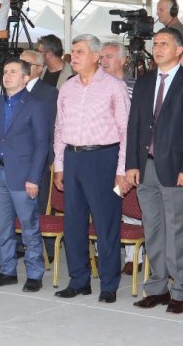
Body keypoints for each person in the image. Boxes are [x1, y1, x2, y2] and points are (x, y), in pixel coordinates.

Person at [126, 28, 183, 315]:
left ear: (178, 50)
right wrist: (131, 164)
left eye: (163, 44)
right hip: (145, 166)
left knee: (177, 232)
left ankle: (180, 289)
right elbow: (134, 124)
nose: (157, 48)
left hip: (176, 170)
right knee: (153, 230)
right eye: (155, 44)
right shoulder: (145, 82)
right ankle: (157, 287)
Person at [53, 34, 130, 304]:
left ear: (96, 57)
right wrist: (60, 165)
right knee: (73, 223)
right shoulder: (68, 87)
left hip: (103, 159)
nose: (74, 56)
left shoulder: (113, 87)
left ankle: (108, 284)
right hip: (73, 158)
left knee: (106, 224)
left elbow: (125, 130)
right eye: (72, 51)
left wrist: (121, 169)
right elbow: (59, 128)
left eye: (80, 52)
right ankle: (79, 280)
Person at [0, 58, 50, 291]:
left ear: (25, 77)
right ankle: (7, 271)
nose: (7, 75)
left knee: (29, 227)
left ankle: (34, 273)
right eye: (5, 71)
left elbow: (42, 144)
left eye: (13, 72)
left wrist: (33, 177)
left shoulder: (36, 105)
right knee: (4, 226)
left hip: (22, 176)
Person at [100, 41, 142, 274]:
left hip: (127, 154)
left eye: (109, 56)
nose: (103, 61)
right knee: (102, 204)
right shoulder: (96, 85)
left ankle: (132, 256)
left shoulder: (135, 87)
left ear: (123, 60)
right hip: (102, 154)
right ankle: (101, 252)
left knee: (128, 204)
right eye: (102, 57)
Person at [20, 49, 58, 260]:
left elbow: (51, 128)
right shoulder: (11, 89)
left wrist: (52, 160)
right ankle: (21, 244)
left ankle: (47, 249)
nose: (21, 68)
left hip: (39, 158)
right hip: (16, 157)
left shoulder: (48, 92)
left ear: (39, 69)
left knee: (40, 205)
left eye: (26, 64)